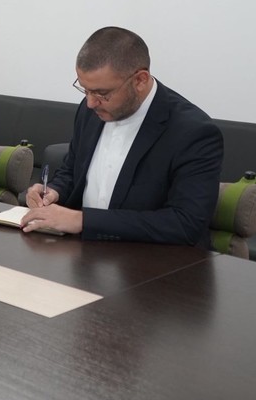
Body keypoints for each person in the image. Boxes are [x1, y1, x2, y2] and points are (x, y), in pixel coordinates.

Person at [21, 27, 223, 246]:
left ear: (140, 80)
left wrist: (83, 221)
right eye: (85, 90)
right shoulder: (90, 111)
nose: (90, 102)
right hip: (85, 252)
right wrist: (54, 191)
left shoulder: (193, 132)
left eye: (102, 93)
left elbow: (185, 224)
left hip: (155, 259)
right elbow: (72, 170)